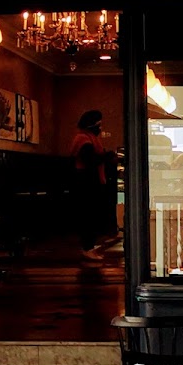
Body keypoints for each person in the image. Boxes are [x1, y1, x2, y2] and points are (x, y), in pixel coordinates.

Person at [69, 110, 113, 261]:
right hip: (86, 182)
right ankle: (87, 248)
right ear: (92, 124)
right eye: (99, 124)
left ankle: (89, 246)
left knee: (90, 215)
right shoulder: (83, 139)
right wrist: (107, 156)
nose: (100, 128)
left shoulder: (87, 137)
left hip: (87, 181)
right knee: (88, 216)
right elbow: (90, 160)